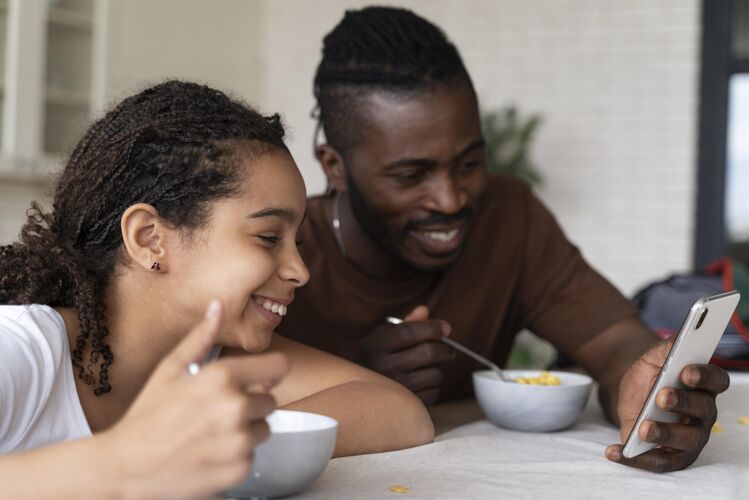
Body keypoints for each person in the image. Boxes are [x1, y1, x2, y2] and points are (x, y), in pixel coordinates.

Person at [278, 6, 729, 473]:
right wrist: (359, 383)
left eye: (470, 163)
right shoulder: (283, 252)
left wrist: (650, 393)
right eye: (412, 175)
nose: (451, 199)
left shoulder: (509, 214)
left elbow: (613, 340)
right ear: (334, 167)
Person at [0, 81, 433, 499]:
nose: (299, 271)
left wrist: (220, 440)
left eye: (296, 242)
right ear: (150, 237)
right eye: (268, 237)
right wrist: (126, 460)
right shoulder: (22, 348)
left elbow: (398, 411)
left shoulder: (212, 357)